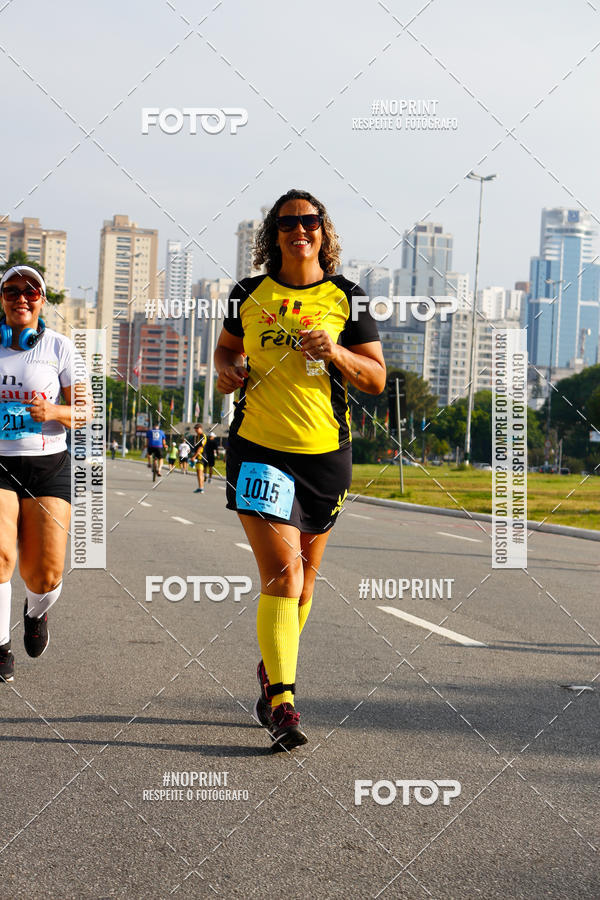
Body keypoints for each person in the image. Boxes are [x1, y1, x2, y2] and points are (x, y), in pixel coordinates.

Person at [215, 189, 385, 751]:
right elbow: (225, 352)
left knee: (306, 580)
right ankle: (283, 702)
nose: (299, 230)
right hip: (259, 449)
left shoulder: (348, 298)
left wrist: (335, 351)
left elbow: (375, 379)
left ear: (323, 231)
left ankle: (271, 670)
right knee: (284, 575)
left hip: (326, 454)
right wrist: (228, 369)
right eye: (287, 223)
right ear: (274, 235)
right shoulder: (248, 294)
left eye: (309, 221)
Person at [0, 265, 91, 683]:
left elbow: (87, 412)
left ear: (41, 300)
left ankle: (36, 613)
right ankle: (1, 646)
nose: (21, 298)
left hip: (48, 464)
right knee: (1, 556)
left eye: (31, 291)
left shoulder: (60, 348)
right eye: (11, 290)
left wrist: (54, 411)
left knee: (46, 573)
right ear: (2, 298)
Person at [189, 423, 206, 493]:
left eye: (197, 428)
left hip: (201, 456)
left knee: (200, 472)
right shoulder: (197, 436)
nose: (196, 430)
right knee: (198, 472)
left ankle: (201, 488)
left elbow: (200, 447)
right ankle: (200, 487)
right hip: (198, 456)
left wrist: (194, 456)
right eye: (195, 429)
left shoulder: (202, 436)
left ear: (201, 428)